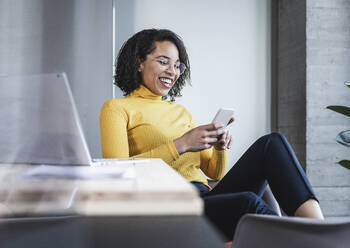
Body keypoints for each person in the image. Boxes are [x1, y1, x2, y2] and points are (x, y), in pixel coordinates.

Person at [100, 28, 324, 241]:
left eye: (178, 66)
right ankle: (301, 242)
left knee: (271, 144)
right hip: (168, 208)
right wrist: (181, 144)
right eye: (163, 62)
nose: (172, 71)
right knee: (247, 204)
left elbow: (214, 172)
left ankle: (319, 233)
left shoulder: (180, 112)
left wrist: (218, 147)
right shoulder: (117, 108)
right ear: (139, 63)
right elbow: (116, 172)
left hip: (205, 199)